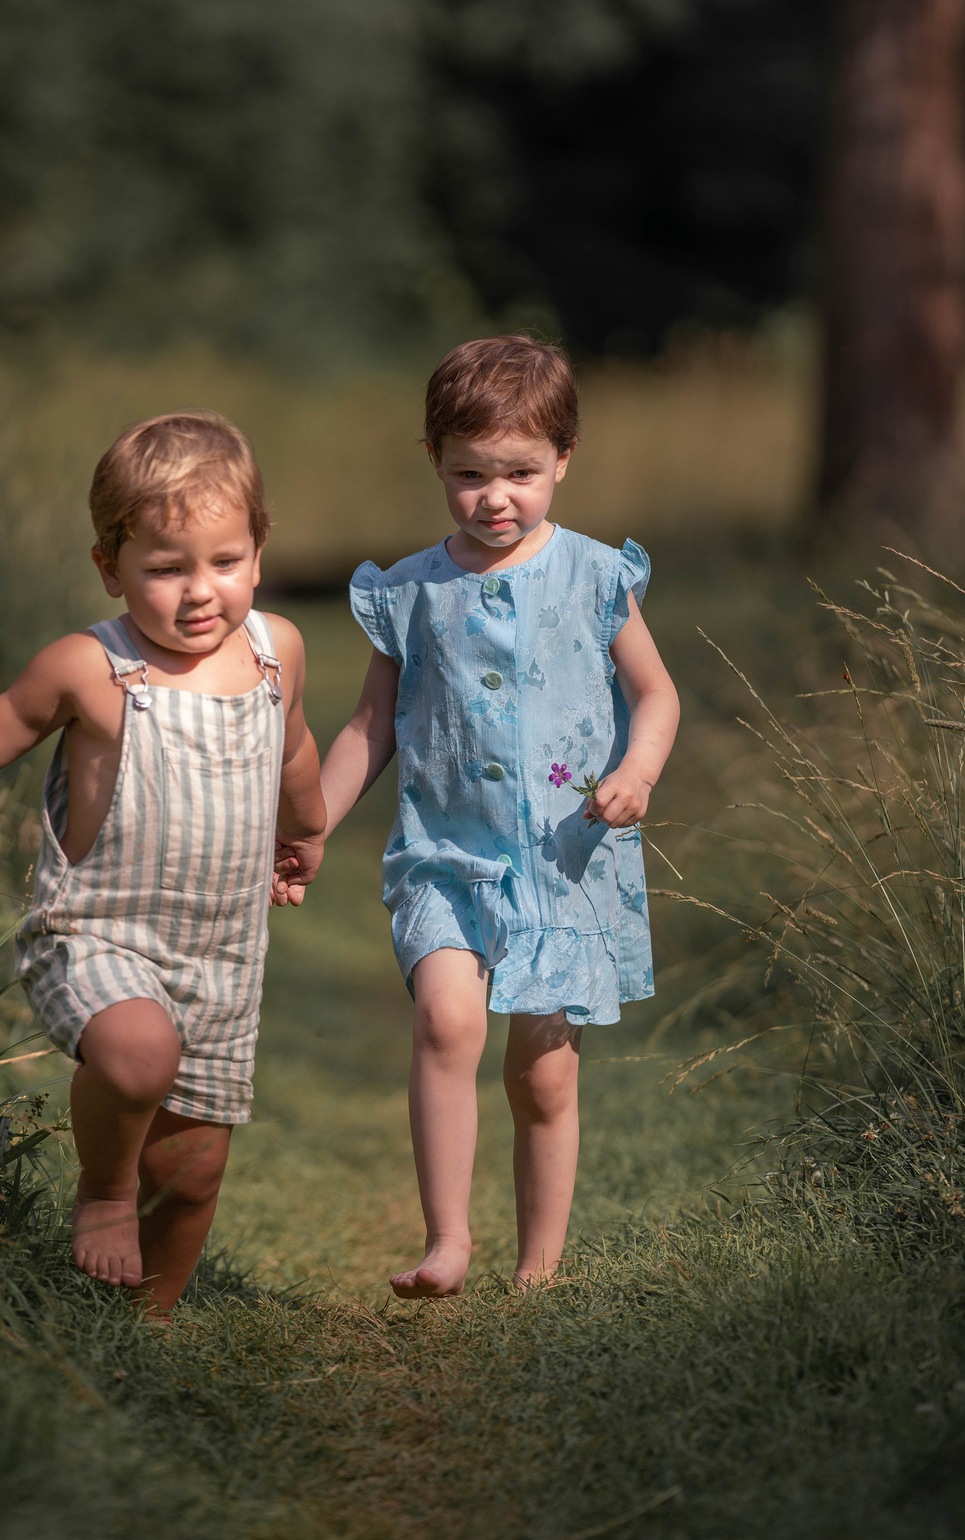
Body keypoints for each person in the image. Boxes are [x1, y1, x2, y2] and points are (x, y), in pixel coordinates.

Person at [0, 413, 326, 1316]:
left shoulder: (278, 653)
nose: (201, 591)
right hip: (97, 935)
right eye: (166, 568)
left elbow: (295, 747)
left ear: (259, 551)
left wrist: (305, 830)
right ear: (110, 568)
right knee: (138, 1056)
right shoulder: (93, 667)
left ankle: (145, 1332)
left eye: (225, 561)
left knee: (192, 1169)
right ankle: (105, 1192)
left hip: (223, 959)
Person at [317, 336, 680, 1297]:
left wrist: (639, 770)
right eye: (469, 474)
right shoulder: (409, 591)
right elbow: (369, 727)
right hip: (445, 855)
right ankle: (448, 1240)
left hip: (563, 861)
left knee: (543, 1072)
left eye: (520, 472)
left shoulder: (596, 576)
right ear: (434, 460)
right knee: (447, 1022)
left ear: (564, 458)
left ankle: (539, 1269)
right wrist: (309, 824)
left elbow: (656, 695)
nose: (495, 498)